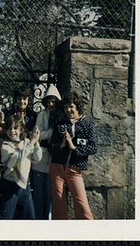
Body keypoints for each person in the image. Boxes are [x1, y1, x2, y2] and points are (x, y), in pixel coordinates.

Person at [48, 91, 98, 220]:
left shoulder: (88, 126)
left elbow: (93, 148)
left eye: (71, 106)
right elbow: (51, 148)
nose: (68, 110)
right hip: (57, 168)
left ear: (77, 106)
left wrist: (74, 148)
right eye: (65, 107)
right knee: (58, 205)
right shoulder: (60, 125)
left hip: (74, 170)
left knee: (82, 205)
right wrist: (62, 145)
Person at [0, 115, 42, 220]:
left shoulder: (26, 142)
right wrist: (31, 143)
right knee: (5, 217)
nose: (12, 131)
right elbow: (19, 158)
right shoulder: (5, 145)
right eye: (9, 128)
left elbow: (37, 158)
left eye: (15, 128)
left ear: (21, 129)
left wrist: (36, 143)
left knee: (29, 217)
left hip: (24, 186)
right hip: (10, 186)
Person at [31, 84, 62, 220]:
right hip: (41, 156)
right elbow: (37, 134)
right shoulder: (42, 114)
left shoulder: (61, 116)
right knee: (38, 192)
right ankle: (38, 218)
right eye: (48, 101)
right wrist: (51, 132)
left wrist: (48, 133)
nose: (51, 104)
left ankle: (48, 217)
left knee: (50, 192)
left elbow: (61, 133)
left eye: (53, 101)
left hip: (54, 157)